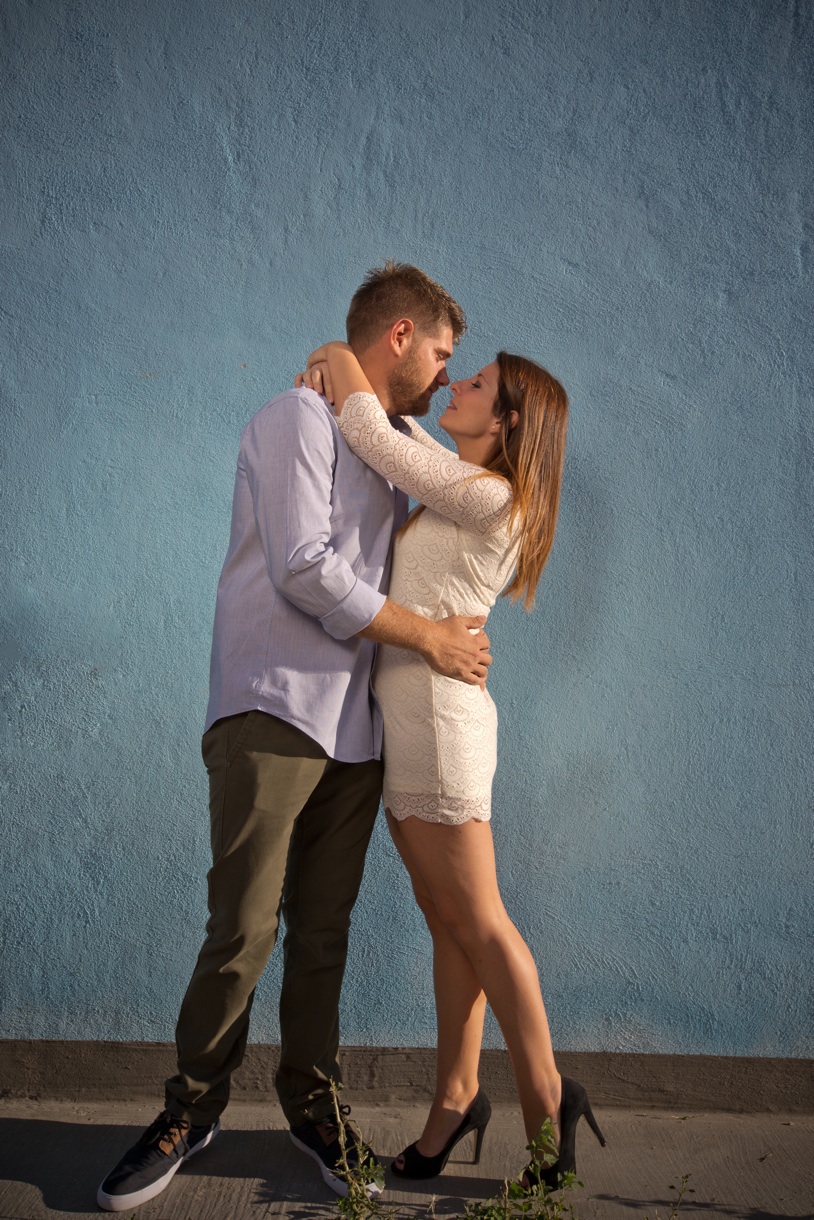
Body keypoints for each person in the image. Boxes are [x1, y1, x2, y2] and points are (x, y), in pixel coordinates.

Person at [95, 263, 494, 1213]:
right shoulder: (297, 419)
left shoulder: (386, 441)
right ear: (399, 335)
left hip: (356, 733)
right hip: (273, 708)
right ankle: (190, 1109)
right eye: (443, 353)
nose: (448, 377)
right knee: (242, 929)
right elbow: (306, 570)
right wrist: (429, 635)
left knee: (324, 936)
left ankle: (313, 1109)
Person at [299, 340, 606, 1189]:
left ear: (507, 422)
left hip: (441, 730)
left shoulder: (487, 495)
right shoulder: (469, 487)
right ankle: (456, 1099)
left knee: (482, 923)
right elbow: (403, 434)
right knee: (452, 927)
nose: (455, 384)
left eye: (475, 384)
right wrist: (392, 393)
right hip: (419, 726)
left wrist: (334, 353)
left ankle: (548, 1099)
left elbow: (375, 433)